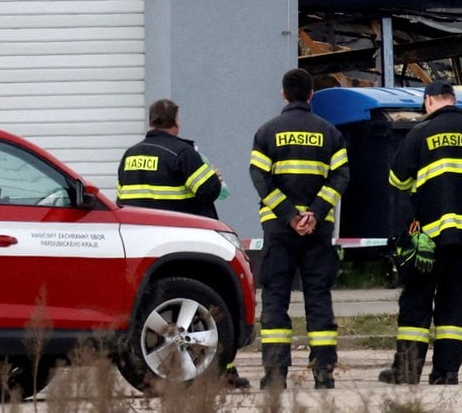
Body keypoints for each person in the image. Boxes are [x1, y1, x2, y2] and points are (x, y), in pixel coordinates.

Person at [117, 99, 248, 388]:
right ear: (175, 122)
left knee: (158, 309)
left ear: (152, 121)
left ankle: (167, 367)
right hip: (182, 241)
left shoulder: (130, 155)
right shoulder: (183, 152)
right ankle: (222, 371)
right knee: (209, 305)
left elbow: (121, 199)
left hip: (141, 243)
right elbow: (210, 190)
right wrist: (214, 176)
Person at [381, 79, 462, 386]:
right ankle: (447, 372)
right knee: (454, 301)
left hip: (429, 237)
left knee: (417, 301)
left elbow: (397, 180)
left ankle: (407, 372)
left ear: (429, 101)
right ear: (453, 99)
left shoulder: (419, 133)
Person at [249, 68, 348, 390]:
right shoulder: (331, 133)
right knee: (318, 296)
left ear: (283, 94)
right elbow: (341, 178)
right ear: (310, 95)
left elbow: (260, 179)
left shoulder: (266, 132)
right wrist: (315, 214)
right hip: (318, 231)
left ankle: (275, 374)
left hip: (278, 229)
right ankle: (324, 372)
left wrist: (289, 215)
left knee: (276, 298)